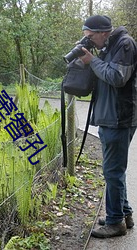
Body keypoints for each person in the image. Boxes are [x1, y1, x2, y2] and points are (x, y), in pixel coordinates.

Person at [79, 15, 137, 238]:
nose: (90, 41)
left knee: (112, 171)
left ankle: (115, 223)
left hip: (119, 118)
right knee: (114, 171)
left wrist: (92, 61)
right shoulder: (108, 46)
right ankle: (124, 214)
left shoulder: (125, 44)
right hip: (109, 117)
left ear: (103, 32)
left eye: (91, 37)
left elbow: (116, 77)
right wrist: (89, 60)